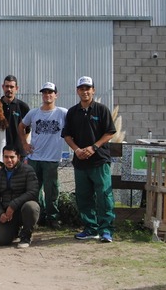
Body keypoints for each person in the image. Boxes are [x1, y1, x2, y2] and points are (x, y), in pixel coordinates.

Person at [62, 76, 116, 243]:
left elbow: (110, 132)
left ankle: (106, 230)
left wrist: (94, 147)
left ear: (93, 90)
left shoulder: (102, 110)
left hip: (99, 161)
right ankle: (90, 228)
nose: (85, 91)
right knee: (83, 197)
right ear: (77, 91)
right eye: (81, 88)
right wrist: (77, 150)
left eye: (88, 88)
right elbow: (67, 135)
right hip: (80, 162)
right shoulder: (72, 112)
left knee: (104, 197)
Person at [19, 81, 67, 229]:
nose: (47, 95)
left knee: (51, 190)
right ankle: (37, 217)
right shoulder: (34, 113)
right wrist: (24, 144)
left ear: (56, 95)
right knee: (34, 190)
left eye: (50, 92)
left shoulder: (63, 113)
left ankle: (52, 218)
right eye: (45, 92)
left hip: (51, 159)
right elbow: (21, 126)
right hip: (35, 158)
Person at [0, 145, 40, 248]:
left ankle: (26, 235)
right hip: (7, 213)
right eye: (6, 157)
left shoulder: (28, 170)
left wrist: (13, 205)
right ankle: (14, 231)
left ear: (18, 157)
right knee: (1, 240)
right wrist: (0, 213)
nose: (9, 160)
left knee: (31, 207)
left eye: (12, 157)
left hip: (23, 209)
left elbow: (33, 192)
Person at [0, 75, 30, 156]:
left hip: (18, 152)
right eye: (7, 86)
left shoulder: (23, 107)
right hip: (0, 152)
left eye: (12, 87)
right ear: (3, 87)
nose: (9, 89)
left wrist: (21, 143)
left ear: (16, 88)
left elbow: (28, 129)